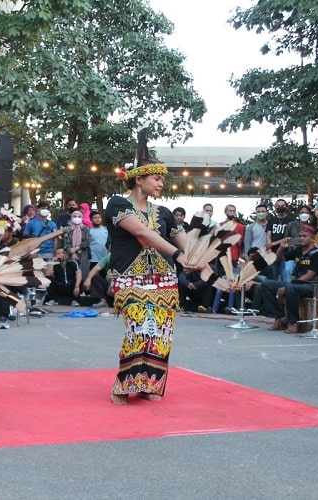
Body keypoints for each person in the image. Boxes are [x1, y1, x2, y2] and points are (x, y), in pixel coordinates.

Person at [104, 132, 190, 404]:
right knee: (140, 329)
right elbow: (142, 233)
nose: (161, 183)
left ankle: (151, 383)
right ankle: (125, 384)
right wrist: (177, 252)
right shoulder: (117, 204)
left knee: (162, 333)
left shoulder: (164, 212)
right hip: (131, 278)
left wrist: (199, 252)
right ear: (139, 179)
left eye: (162, 179)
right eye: (157, 178)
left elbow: (184, 240)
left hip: (164, 280)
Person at [261, 225, 318, 333]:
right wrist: (282, 247)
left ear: (311, 238)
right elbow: (278, 259)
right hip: (296, 284)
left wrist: (287, 286)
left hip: (313, 286)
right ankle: (280, 317)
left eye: (304, 236)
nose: (301, 238)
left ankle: (293, 322)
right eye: (300, 236)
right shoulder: (298, 249)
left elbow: (309, 275)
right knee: (266, 284)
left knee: (291, 287)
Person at [266, 198, 295, 282]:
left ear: (286, 207)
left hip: (285, 255)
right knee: (272, 277)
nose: (280, 207)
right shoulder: (271, 220)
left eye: (282, 206)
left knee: (284, 276)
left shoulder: (292, 220)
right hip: (272, 254)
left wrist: (273, 243)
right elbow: (268, 236)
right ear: (275, 208)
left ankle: (284, 293)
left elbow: (292, 238)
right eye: (278, 206)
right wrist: (269, 251)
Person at [63, 209, 91, 280]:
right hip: (70, 255)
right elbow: (66, 242)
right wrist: (72, 252)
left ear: (82, 218)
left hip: (83, 254)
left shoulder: (86, 229)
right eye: (75, 216)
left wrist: (76, 249)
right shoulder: (68, 229)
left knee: (83, 274)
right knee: (70, 275)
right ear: (72, 217)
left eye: (79, 216)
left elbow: (87, 242)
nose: (77, 218)